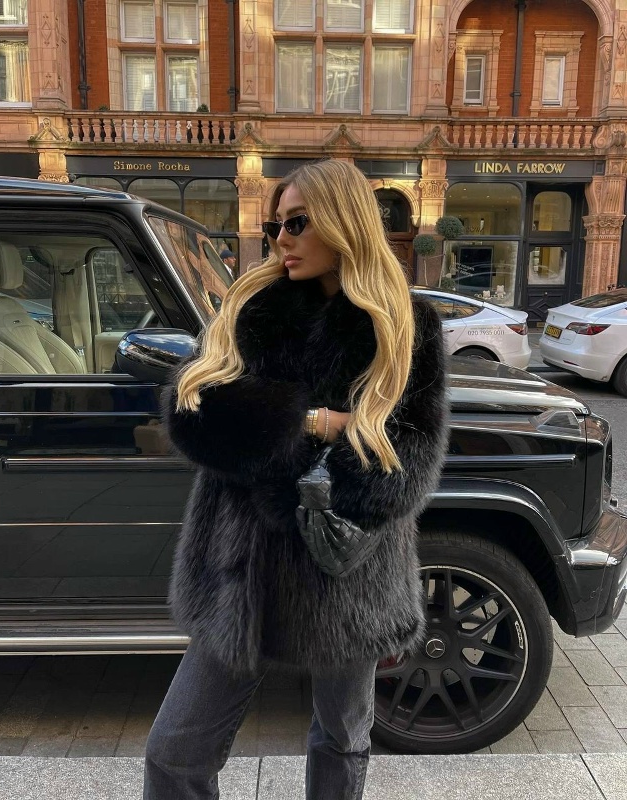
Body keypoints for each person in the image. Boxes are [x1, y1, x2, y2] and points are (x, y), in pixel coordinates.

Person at [143, 159, 448, 800]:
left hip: (346, 570)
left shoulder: (404, 323)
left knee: (343, 737)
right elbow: (190, 414)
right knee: (174, 752)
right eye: (276, 224)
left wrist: (324, 453)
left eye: (297, 223)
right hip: (242, 571)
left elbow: (411, 461)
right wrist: (313, 422)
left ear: (344, 224)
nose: (280, 238)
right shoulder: (252, 307)